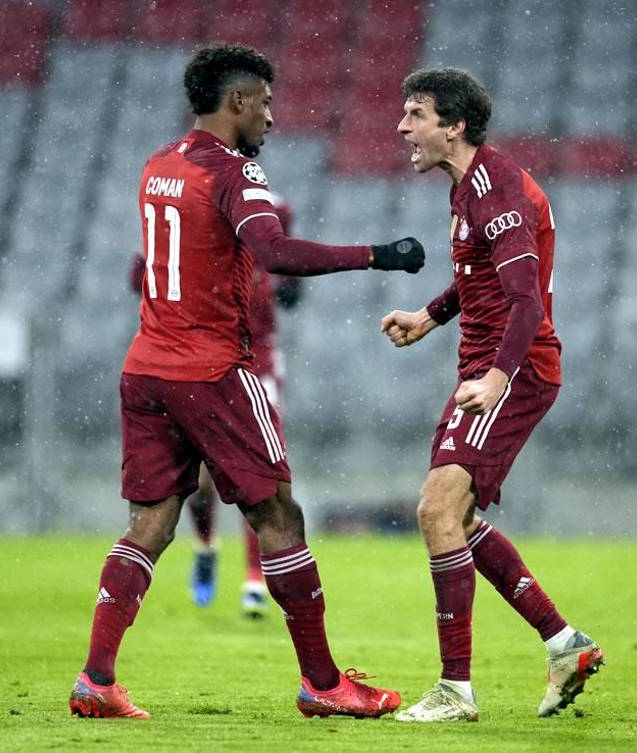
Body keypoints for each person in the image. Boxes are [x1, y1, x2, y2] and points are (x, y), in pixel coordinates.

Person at [69, 44, 423, 720]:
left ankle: (96, 677)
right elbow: (276, 253)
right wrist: (379, 254)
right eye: (263, 101)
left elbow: (155, 265)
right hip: (211, 370)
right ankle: (323, 682)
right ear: (236, 102)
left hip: (146, 366)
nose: (272, 115)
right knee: (279, 513)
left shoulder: (159, 166)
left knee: (149, 522)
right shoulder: (235, 172)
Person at [380, 68, 604, 723]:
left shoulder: (498, 191)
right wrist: (428, 315)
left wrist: (500, 375)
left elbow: (527, 299)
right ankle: (566, 643)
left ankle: (455, 690)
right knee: (458, 518)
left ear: (454, 126)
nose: (402, 127)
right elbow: (479, 278)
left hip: (514, 369)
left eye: (415, 114)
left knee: (435, 508)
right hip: (488, 367)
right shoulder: (469, 189)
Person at [129, 197, 302, 617]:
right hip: (204, 356)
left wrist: (281, 278)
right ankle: (206, 545)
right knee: (202, 479)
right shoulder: (191, 203)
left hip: (258, 355)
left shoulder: (273, 209)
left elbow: (292, 287)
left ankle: (254, 578)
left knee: (259, 465)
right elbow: (140, 276)